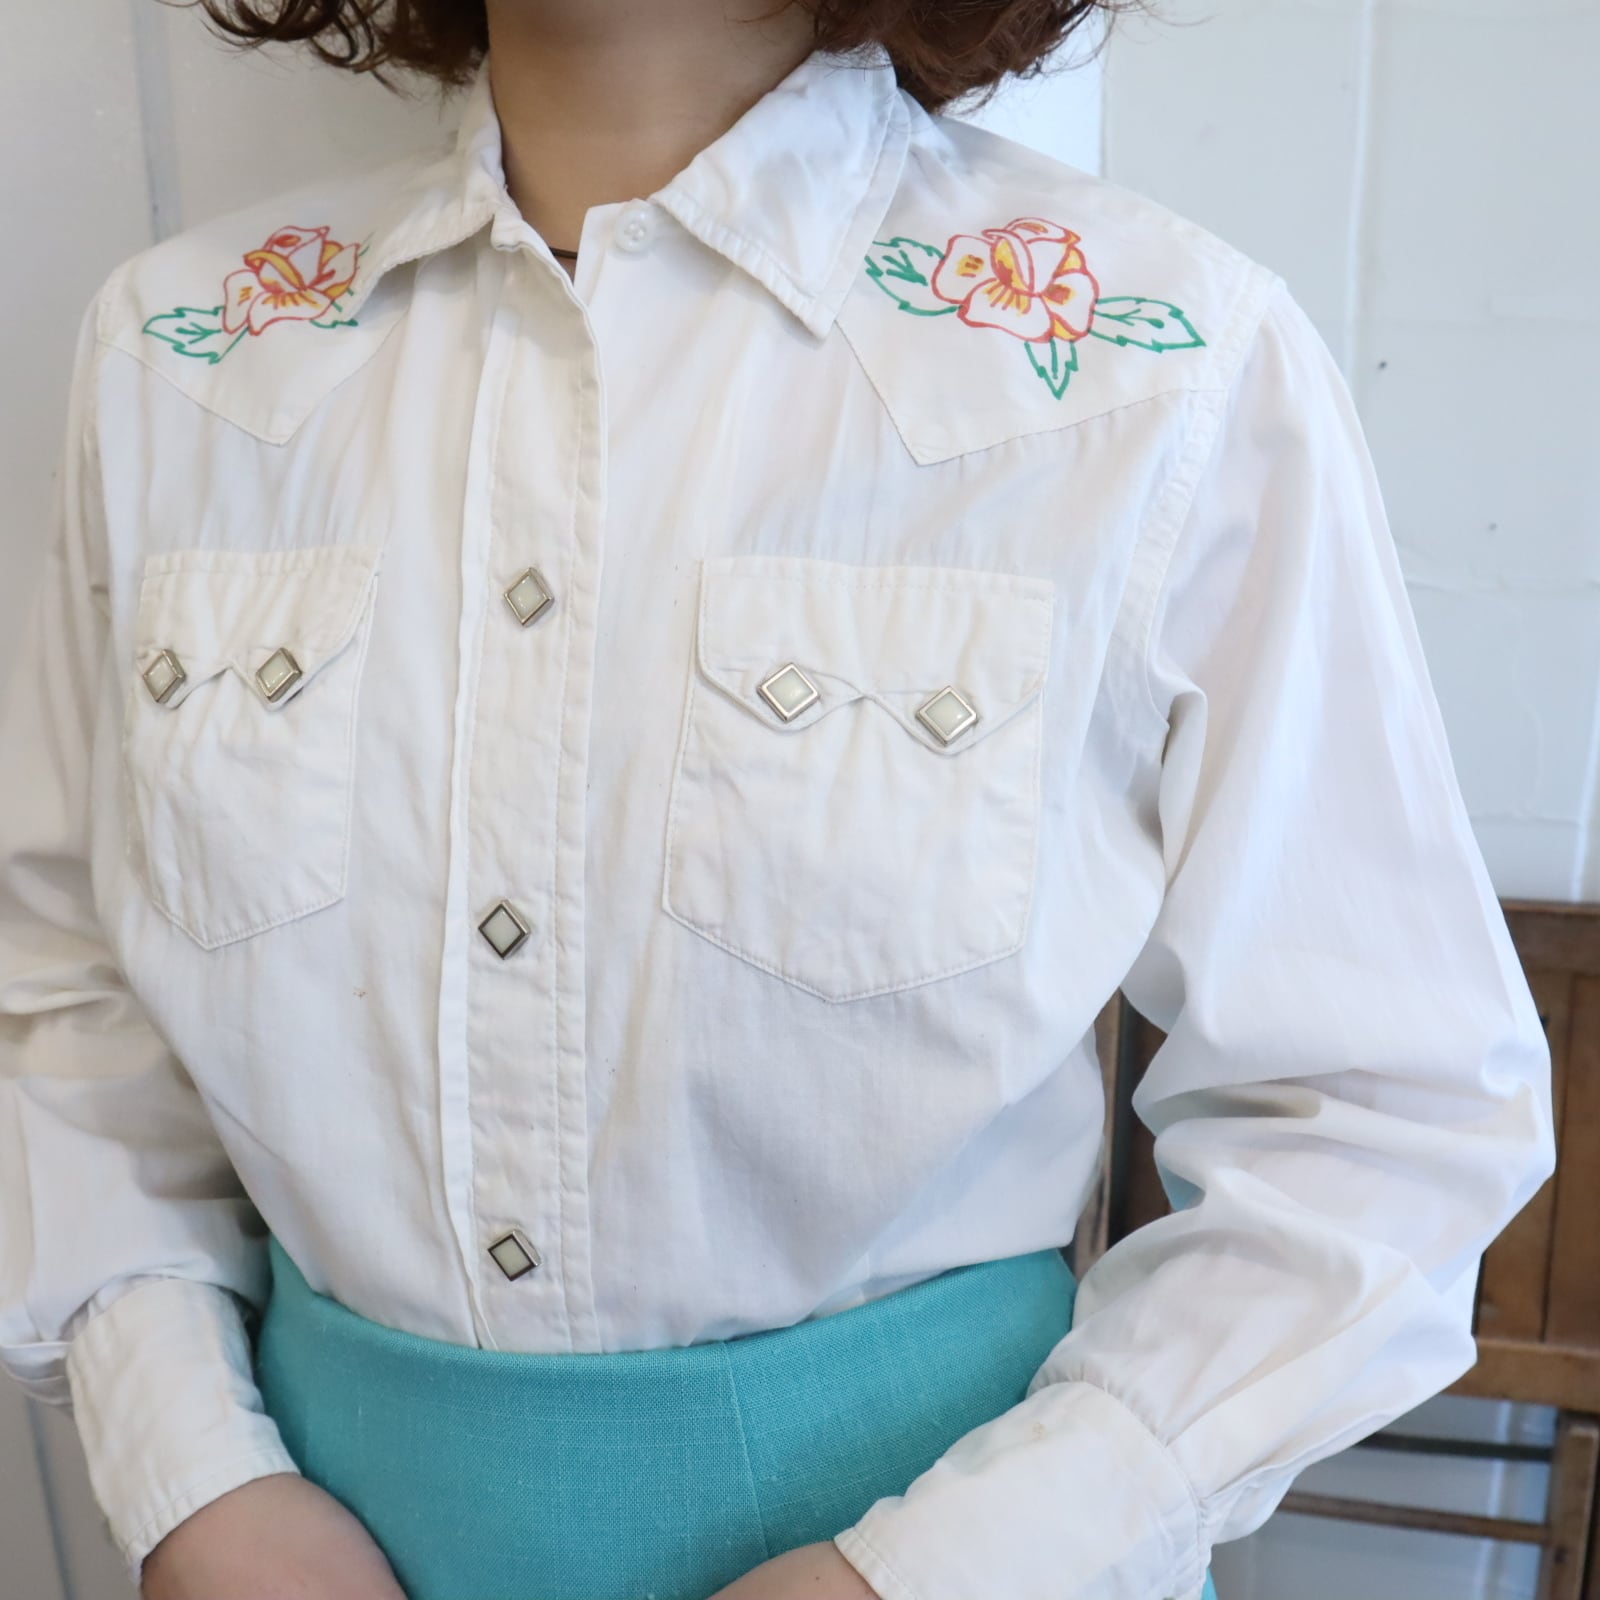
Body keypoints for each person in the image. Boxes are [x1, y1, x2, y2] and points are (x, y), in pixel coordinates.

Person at [0, 0, 1557, 1596]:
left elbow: (1386, 1113)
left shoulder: (1153, 366)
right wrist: (192, 1477)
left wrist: (956, 1565)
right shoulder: (181, 356)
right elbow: (71, 998)